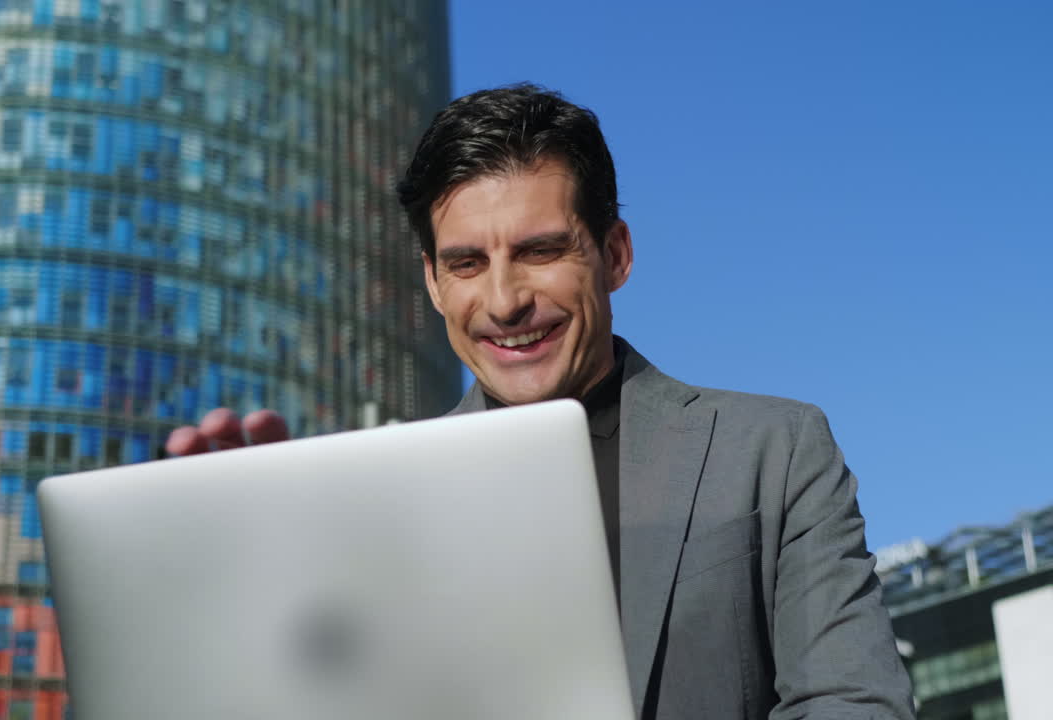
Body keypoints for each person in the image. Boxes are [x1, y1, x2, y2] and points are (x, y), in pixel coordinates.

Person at [167, 84, 915, 719]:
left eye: (540, 251)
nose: (504, 301)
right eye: (466, 263)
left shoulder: (774, 452)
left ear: (614, 254)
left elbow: (855, 704)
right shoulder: (371, 506)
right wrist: (253, 605)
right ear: (433, 282)